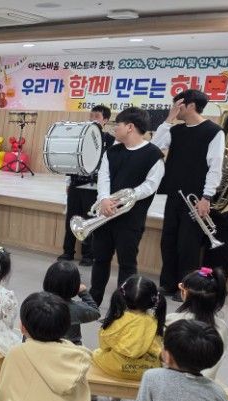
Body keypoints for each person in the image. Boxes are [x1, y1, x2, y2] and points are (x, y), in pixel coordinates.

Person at [152, 89, 225, 301]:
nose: (175, 109)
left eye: (178, 105)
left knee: (188, 245)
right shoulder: (175, 130)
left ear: (191, 105)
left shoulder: (214, 131)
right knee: (168, 241)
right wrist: (168, 120)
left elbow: (215, 167)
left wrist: (207, 197)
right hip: (174, 194)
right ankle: (168, 283)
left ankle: (185, 287)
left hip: (196, 198)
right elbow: (154, 148)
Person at [88, 107, 165, 306]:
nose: (115, 128)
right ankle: (93, 303)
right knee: (100, 260)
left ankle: (123, 308)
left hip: (131, 219)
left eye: (118, 125)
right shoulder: (112, 151)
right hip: (106, 214)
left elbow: (150, 186)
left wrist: (124, 199)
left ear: (130, 127)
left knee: (127, 264)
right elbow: (103, 177)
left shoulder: (153, 155)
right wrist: (104, 199)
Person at [58, 105, 115, 266]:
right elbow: (72, 159)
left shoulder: (110, 140)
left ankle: (88, 255)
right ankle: (68, 251)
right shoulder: (80, 136)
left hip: (95, 187)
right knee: (71, 219)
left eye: (97, 116)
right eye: (91, 115)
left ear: (105, 120)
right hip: (76, 184)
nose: (92, 119)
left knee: (90, 221)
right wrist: (68, 182)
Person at [93, 275, 166, 393]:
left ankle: (95, 394)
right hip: (146, 371)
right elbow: (157, 350)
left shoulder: (118, 319)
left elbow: (104, 345)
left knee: (96, 353)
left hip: (115, 367)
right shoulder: (154, 322)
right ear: (153, 300)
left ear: (123, 296)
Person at [165, 267, 228, 380]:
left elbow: (163, 356)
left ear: (185, 293)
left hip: (168, 380)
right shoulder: (222, 326)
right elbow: (214, 365)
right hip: (204, 382)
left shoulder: (171, 320)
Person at [43, 261, 100, 346]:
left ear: (47, 280)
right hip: (71, 348)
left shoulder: (36, 304)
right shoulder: (78, 309)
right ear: (75, 286)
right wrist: (84, 293)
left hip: (43, 347)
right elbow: (96, 312)